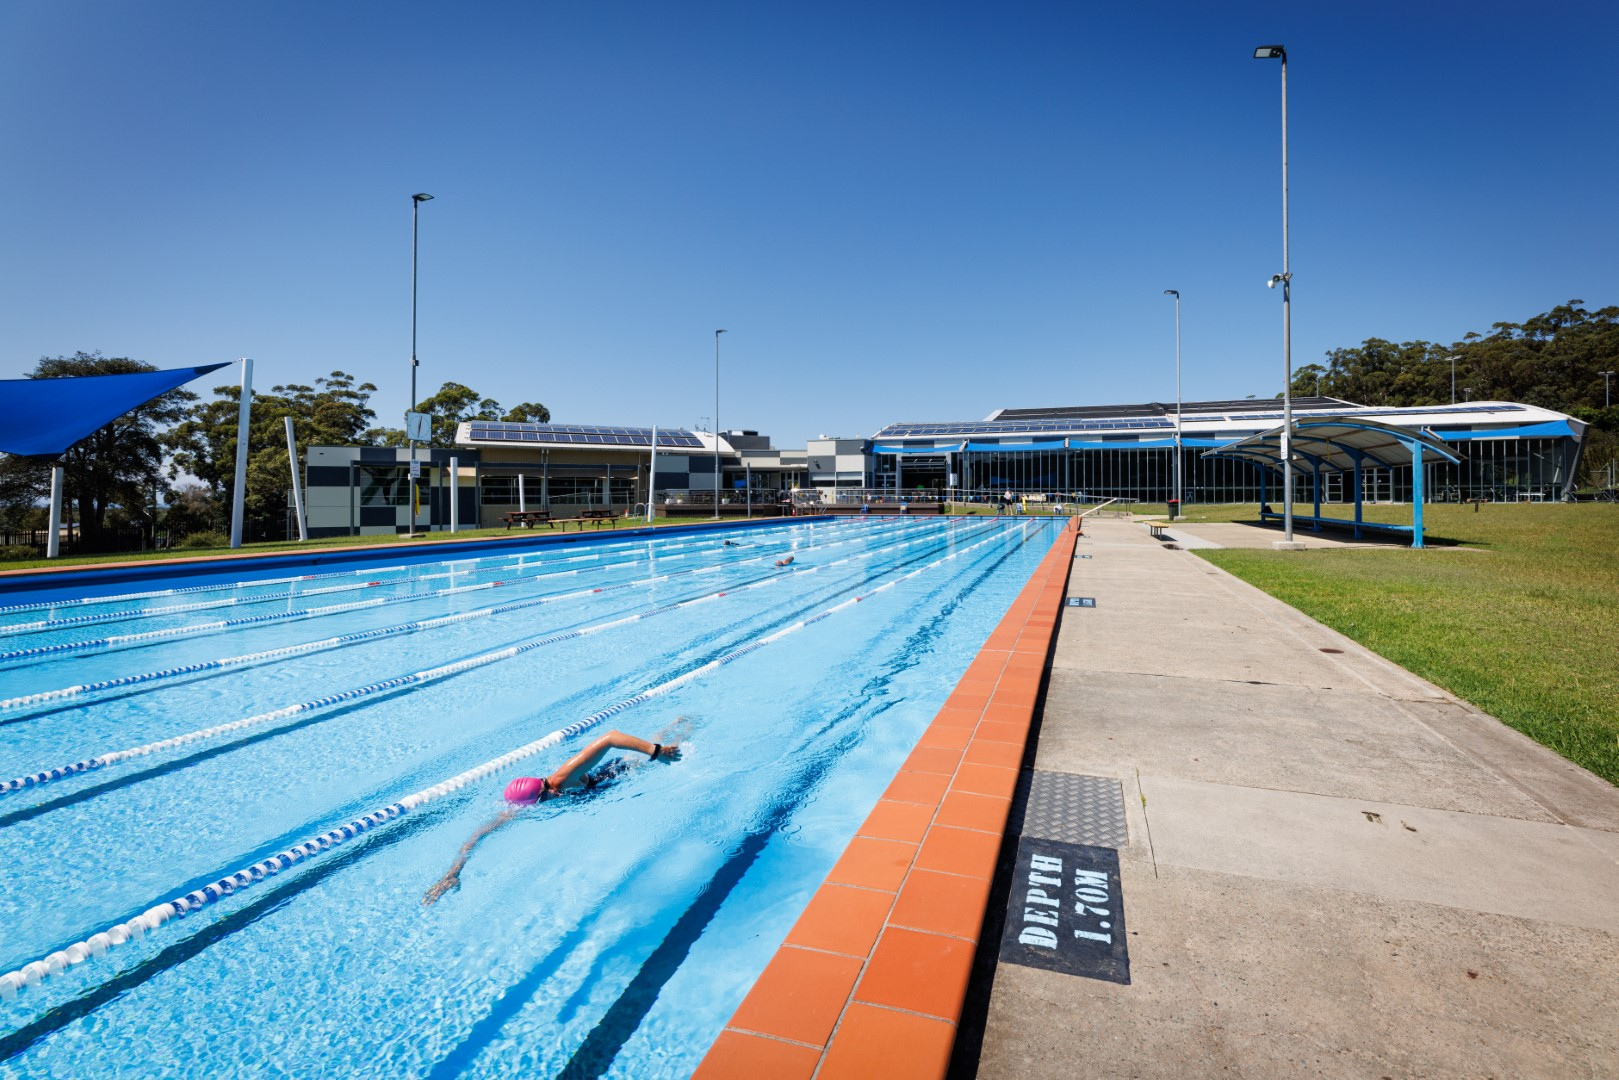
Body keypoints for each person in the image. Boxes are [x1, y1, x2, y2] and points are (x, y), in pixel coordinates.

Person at [422, 729, 683, 905]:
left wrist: (656, 751)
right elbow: (477, 836)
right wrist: (452, 874)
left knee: (668, 747)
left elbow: (610, 737)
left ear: (546, 790)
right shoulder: (527, 801)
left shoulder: (562, 779)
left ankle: (676, 729)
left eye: (540, 803)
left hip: (614, 774)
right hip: (597, 792)